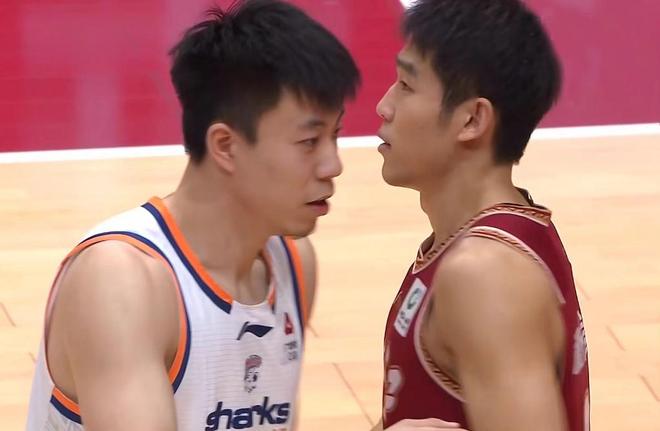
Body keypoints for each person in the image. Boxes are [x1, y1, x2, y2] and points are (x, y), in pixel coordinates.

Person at [25, 1, 359, 429]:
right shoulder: (122, 281)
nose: (333, 165)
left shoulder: (294, 263)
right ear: (225, 146)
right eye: (309, 142)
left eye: (336, 135)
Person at [375, 0, 590, 430]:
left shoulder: (484, 273)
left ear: (472, 119)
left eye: (405, 85)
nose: (384, 106)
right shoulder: (495, 237)